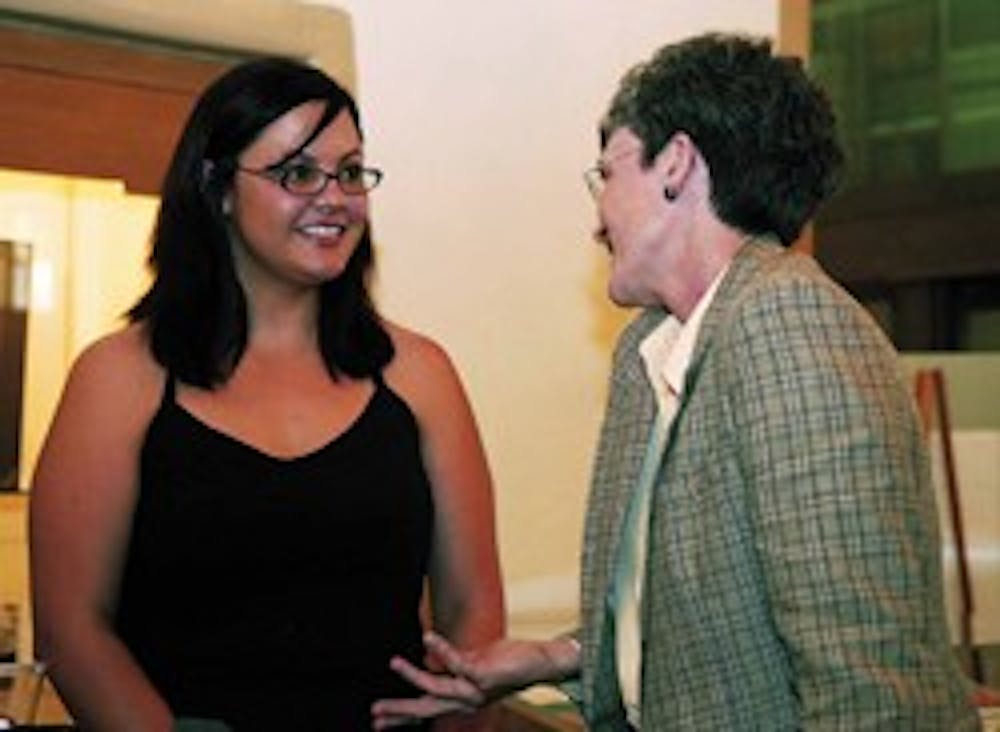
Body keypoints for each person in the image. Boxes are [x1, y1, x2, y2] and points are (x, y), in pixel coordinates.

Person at [372, 33, 979, 730]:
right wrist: (551, 654)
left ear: (676, 164)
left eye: (607, 173)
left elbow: (870, 688)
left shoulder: (789, 323)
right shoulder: (657, 350)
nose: (597, 216)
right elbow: (713, 614)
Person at [29, 57, 504, 731]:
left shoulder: (421, 375)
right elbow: (73, 630)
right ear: (218, 188)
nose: (334, 196)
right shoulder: (117, 379)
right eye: (297, 173)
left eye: (349, 172)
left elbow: (473, 615)